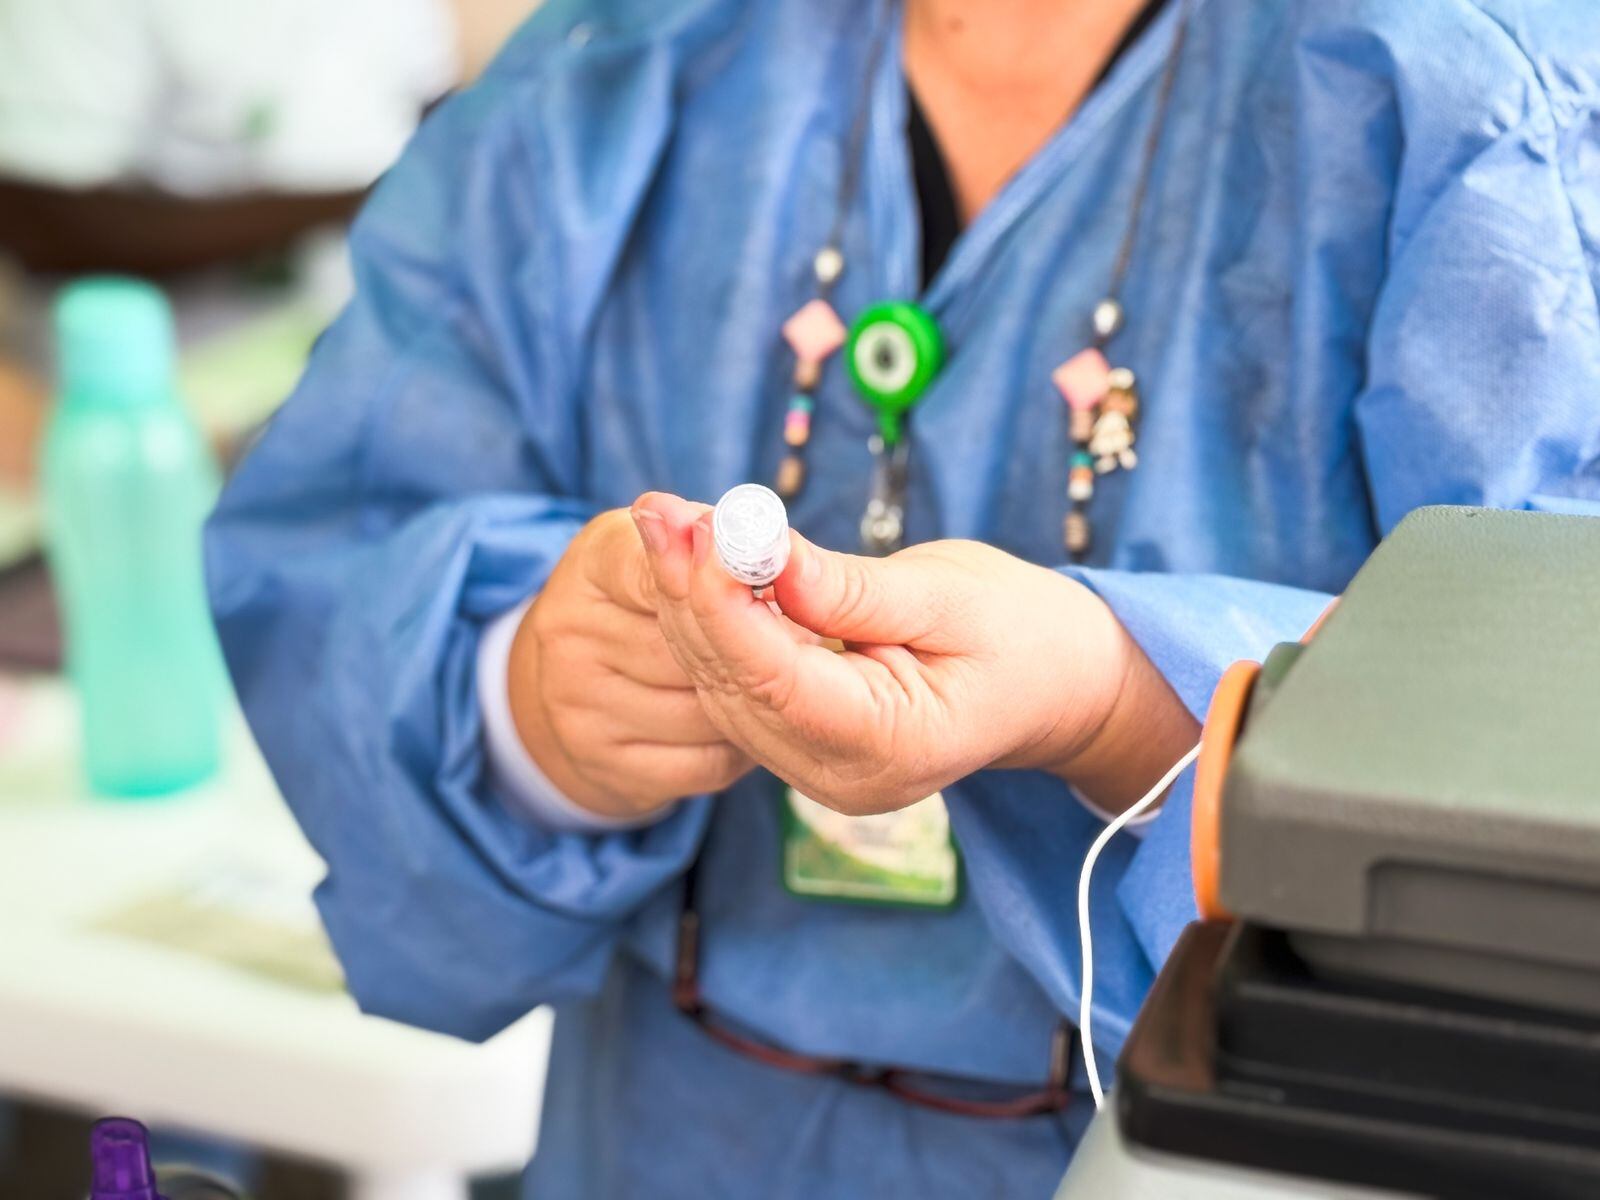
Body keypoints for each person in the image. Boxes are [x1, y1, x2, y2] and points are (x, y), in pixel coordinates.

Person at [205, 0, 1600, 1195]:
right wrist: (529, 698)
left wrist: (1112, 697)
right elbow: (336, 545)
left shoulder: (1487, 105)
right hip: (665, 1144)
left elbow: (1546, 747)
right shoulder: (613, 73)